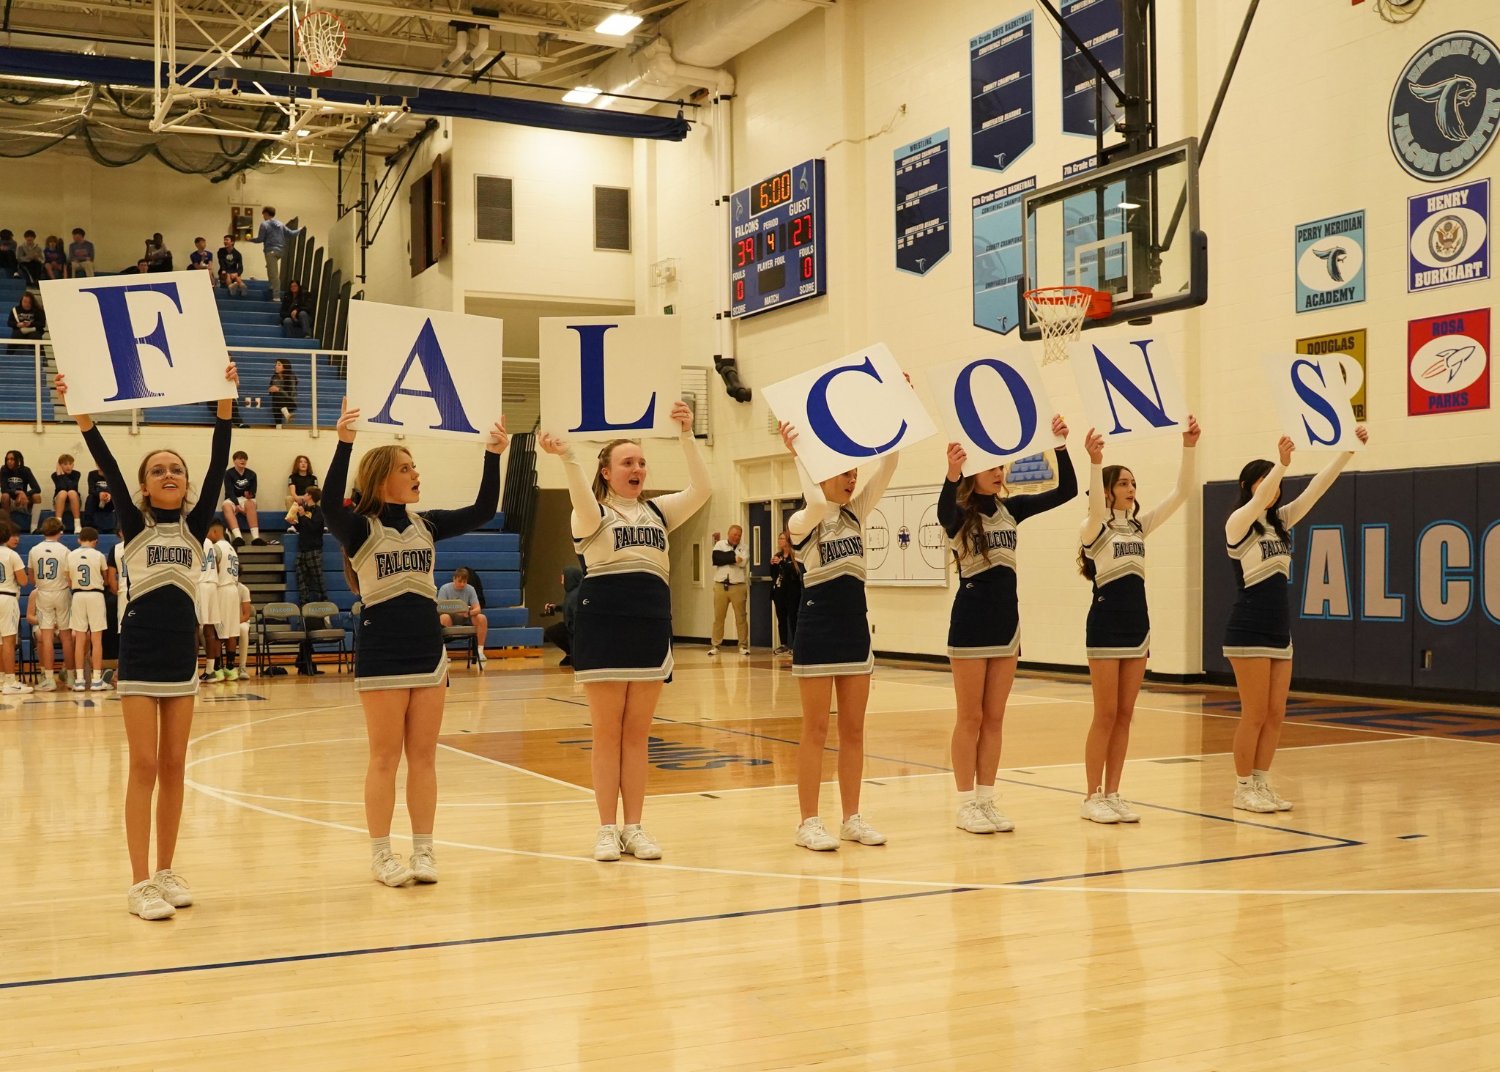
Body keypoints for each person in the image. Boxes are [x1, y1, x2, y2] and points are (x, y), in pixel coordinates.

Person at [57, 362, 238, 922]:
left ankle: (165, 870)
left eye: (175, 469)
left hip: (181, 657)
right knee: (143, 767)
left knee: (176, 764)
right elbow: (108, 464)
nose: (169, 474)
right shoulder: (134, 525)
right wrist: (84, 418)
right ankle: (138, 884)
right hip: (138, 654)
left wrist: (225, 405)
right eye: (158, 469)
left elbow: (216, 466)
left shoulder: (195, 525)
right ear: (144, 485)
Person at [324, 396, 508, 888]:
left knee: (424, 756)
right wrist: (344, 444)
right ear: (383, 477)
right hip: (382, 650)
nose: (416, 474)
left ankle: (424, 850)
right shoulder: (360, 529)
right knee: (384, 757)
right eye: (407, 468)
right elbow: (326, 506)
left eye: (416, 467)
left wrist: (493, 454)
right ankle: (382, 854)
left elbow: (485, 508)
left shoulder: (427, 525)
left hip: (429, 651)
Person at [539, 400, 708, 863]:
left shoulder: (658, 513)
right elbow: (579, 494)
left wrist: (687, 435)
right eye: (627, 462)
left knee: (637, 736)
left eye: (641, 461)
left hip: (651, 627)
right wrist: (568, 457)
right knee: (606, 734)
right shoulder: (590, 516)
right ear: (607, 472)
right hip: (604, 628)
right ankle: (605, 828)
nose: (637, 468)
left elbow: (704, 487)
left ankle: (634, 826)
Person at [938, 418, 1079, 836]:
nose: (1000, 473)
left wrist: (1061, 444)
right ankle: (965, 803)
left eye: (1002, 467)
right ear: (973, 473)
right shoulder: (960, 514)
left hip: (1007, 623)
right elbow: (944, 511)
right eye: (991, 467)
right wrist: (950, 473)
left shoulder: (1012, 509)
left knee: (995, 718)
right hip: (969, 623)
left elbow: (1067, 491)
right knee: (971, 717)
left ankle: (986, 799)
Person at [1225, 427, 1368, 814]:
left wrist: (1347, 452)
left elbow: (1316, 490)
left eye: (1277, 484)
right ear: (1247, 485)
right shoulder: (1238, 524)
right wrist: (1282, 465)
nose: (1274, 490)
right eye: (1266, 482)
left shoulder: (1282, 523)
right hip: (1248, 628)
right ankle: (1241, 788)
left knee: (1275, 714)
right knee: (1253, 713)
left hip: (1278, 630)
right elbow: (1256, 504)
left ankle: (1260, 782)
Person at [779, 419, 900, 852]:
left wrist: (893, 412)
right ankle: (808, 821)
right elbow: (813, 499)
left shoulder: (855, 512)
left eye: (854, 473)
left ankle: (852, 816)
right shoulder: (802, 519)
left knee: (854, 730)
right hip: (817, 627)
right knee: (814, 729)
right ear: (821, 473)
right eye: (844, 472)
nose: (852, 479)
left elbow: (890, 465)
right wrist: (798, 454)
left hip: (854, 628)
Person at [1076, 417, 1200, 824]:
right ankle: (1092, 795)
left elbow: (1182, 492)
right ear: (1109, 489)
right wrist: (1095, 462)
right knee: (1105, 714)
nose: (1132, 489)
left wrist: (1188, 446)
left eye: (1134, 484)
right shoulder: (1094, 527)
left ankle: (1113, 792)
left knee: (1126, 715)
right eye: (1125, 483)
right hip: (1105, 625)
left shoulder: (1139, 526)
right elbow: (1095, 505)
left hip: (1137, 627)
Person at [27, 516, 75, 691]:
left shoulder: (33, 550)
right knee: (66, 638)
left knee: (46, 638)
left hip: (43, 593)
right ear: (60, 531)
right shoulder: (65, 551)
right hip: (62, 592)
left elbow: (31, 577)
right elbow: (70, 578)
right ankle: (70, 678)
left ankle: (49, 679)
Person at [68, 527, 110, 692]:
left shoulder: (70, 555)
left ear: (79, 539)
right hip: (95, 595)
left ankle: (79, 680)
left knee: (79, 639)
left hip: (78, 596)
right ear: (96, 541)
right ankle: (97, 680)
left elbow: (68, 579)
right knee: (96, 639)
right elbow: (106, 580)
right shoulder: (99, 555)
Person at [708, 524, 749, 657]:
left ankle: (743, 645)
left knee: (741, 617)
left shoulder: (744, 547)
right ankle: (715, 645)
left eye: (739, 535)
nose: (736, 537)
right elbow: (716, 559)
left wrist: (726, 558)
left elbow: (742, 562)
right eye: (734, 534)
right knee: (719, 617)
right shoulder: (720, 544)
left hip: (738, 585)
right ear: (729, 534)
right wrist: (732, 558)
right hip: (721, 585)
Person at [0, 521, 31, 695]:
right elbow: (24, 580)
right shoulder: (11, 555)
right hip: (6, 597)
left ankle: (2, 678)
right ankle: (10, 681)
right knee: (9, 641)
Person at [436, 567, 489, 667]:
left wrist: (469, 613)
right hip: (450, 617)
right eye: (460, 581)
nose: (462, 584)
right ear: (454, 579)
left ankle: (480, 651)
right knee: (443, 617)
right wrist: (455, 611)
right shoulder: (445, 588)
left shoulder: (470, 589)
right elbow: (440, 608)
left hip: (466, 617)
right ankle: (444, 653)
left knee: (481, 618)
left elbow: (478, 608)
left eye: (464, 581)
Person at [212, 521, 242, 680]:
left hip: (222, 589)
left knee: (218, 632)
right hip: (234, 590)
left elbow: (214, 569)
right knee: (232, 631)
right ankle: (231, 667)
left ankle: (217, 668)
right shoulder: (232, 549)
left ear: (215, 531)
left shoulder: (216, 548)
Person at [248, 206, 296, 300]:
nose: (263, 216)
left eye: (263, 214)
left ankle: (276, 295)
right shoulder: (280, 224)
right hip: (281, 251)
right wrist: (300, 230)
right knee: (269, 267)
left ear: (266, 214)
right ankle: (271, 285)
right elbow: (291, 233)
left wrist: (251, 240)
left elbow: (260, 239)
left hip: (270, 251)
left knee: (274, 273)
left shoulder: (264, 224)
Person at [196, 523, 224, 683]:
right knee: (210, 629)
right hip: (213, 584)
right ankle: (210, 670)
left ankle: (192, 672)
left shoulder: (196, 539)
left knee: (195, 627)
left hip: (200, 585)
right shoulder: (210, 544)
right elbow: (218, 568)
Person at [222, 451, 268, 546]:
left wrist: (249, 495)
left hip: (245, 499)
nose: (243, 460)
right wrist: (237, 505)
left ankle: (256, 538)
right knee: (226, 506)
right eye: (240, 458)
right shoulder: (228, 473)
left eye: (244, 458)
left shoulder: (252, 474)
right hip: (232, 499)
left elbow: (253, 492)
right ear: (234, 461)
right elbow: (229, 491)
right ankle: (238, 537)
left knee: (250, 503)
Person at [769, 529, 802, 655]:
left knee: (793, 617)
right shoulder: (778, 555)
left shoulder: (795, 555)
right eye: (779, 539)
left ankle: (795, 644)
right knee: (781, 618)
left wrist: (783, 563)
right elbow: (773, 575)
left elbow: (795, 572)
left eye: (782, 538)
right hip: (779, 591)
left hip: (792, 591)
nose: (780, 541)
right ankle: (783, 644)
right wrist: (773, 564)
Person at [541, 565, 582, 667]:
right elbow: (566, 606)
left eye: (563, 576)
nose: (561, 580)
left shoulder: (576, 594)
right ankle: (570, 654)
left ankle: (573, 654)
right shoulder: (571, 592)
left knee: (575, 663)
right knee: (553, 631)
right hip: (570, 628)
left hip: (574, 630)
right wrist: (556, 607)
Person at [1, 450, 42, 531]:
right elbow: (4, 489)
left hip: (23, 501)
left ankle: (34, 527)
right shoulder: (4, 469)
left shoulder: (25, 470)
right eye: (7, 459)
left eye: (12, 459)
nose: (9, 461)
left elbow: (37, 488)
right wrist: (19, 492)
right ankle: (7, 526)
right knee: (5, 496)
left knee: (37, 496)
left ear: (18, 460)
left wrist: (25, 494)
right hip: (10, 502)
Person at [52, 453, 82, 533]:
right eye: (65, 464)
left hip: (74, 500)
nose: (68, 466)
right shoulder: (55, 475)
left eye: (70, 464)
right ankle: (58, 525)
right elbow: (62, 487)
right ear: (60, 465)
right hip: (59, 502)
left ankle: (77, 524)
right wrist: (59, 475)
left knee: (71, 492)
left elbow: (72, 486)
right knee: (63, 493)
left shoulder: (76, 474)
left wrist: (61, 475)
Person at [83, 465, 115, 532]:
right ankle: (88, 525)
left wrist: (109, 495)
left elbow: (116, 490)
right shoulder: (92, 474)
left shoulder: (113, 474)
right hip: (97, 502)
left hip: (109, 502)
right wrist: (100, 494)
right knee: (90, 497)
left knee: (118, 498)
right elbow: (91, 490)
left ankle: (118, 526)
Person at [268, 358, 299, 425]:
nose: (276, 366)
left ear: (285, 366)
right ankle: (286, 416)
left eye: (279, 365)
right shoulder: (274, 377)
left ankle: (278, 426)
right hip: (279, 403)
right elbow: (271, 390)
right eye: (276, 364)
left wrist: (279, 389)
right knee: (276, 397)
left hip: (290, 402)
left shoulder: (291, 377)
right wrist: (270, 390)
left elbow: (291, 394)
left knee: (277, 396)